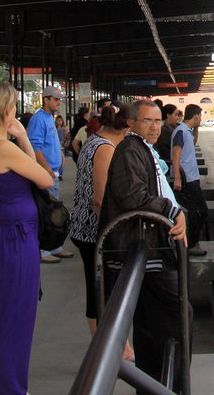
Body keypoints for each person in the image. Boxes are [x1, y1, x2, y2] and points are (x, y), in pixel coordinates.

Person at [0, 82, 54, 395]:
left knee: (4, 310)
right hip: (15, 236)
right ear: (4, 110)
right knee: (15, 315)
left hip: (3, 229)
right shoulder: (2, 145)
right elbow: (44, 178)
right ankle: (12, 388)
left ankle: (11, 384)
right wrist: (22, 137)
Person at [102, 99, 190, 388]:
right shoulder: (130, 151)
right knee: (179, 315)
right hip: (141, 248)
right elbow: (133, 196)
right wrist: (171, 211)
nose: (154, 127)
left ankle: (154, 383)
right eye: (146, 121)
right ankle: (172, 384)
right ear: (131, 123)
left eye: (157, 121)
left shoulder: (141, 149)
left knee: (149, 323)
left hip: (146, 246)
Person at [69, 105, 133, 355]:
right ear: (127, 125)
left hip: (84, 228)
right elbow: (100, 198)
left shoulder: (95, 140)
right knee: (101, 290)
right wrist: (113, 232)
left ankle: (112, 345)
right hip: (93, 231)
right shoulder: (105, 149)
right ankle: (105, 349)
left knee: (100, 288)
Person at [27, 85, 73, 263]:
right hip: (46, 172)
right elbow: (35, 146)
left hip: (53, 171)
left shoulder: (48, 118)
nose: (58, 102)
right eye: (55, 99)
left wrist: (60, 156)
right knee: (47, 214)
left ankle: (54, 246)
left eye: (59, 99)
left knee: (54, 213)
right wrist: (45, 168)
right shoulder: (39, 119)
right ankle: (44, 250)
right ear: (45, 99)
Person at [172, 104, 208, 257]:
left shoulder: (187, 131)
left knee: (196, 211)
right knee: (198, 211)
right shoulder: (180, 131)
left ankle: (192, 241)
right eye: (200, 116)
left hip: (192, 178)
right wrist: (178, 178)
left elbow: (193, 144)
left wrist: (197, 128)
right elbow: (175, 155)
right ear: (195, 116)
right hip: (186, 180)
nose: (201, 119)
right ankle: (191, 244)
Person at [156, 104, 180, 168]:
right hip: (168, 165)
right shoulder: (166, 131)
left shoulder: (169, 128)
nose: (178, 118)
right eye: (175, 114)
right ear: (168, 115)